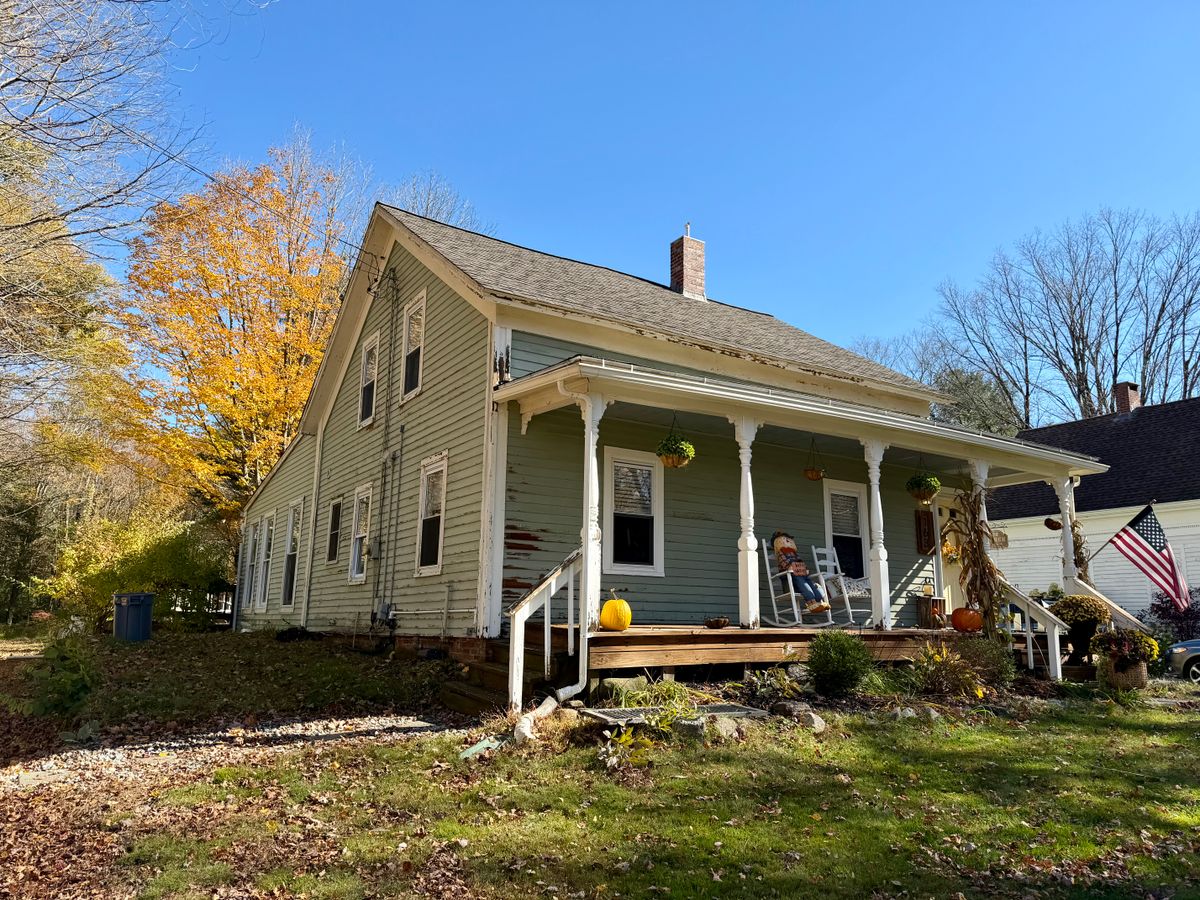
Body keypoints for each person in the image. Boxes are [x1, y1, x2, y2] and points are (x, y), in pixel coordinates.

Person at [771, 531, 830, 614]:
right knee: (802, 582)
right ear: (778, 542)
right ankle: (811, 602)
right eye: (785, 539)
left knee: (810, 583)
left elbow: (801, 563)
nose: (788, 541)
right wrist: (793, 567)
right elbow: (785, 564)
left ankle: (819, 601)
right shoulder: (781, 553)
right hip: (790, 580)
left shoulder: (794, 554)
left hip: (800, 574)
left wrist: (804, 569)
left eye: (789, 540)